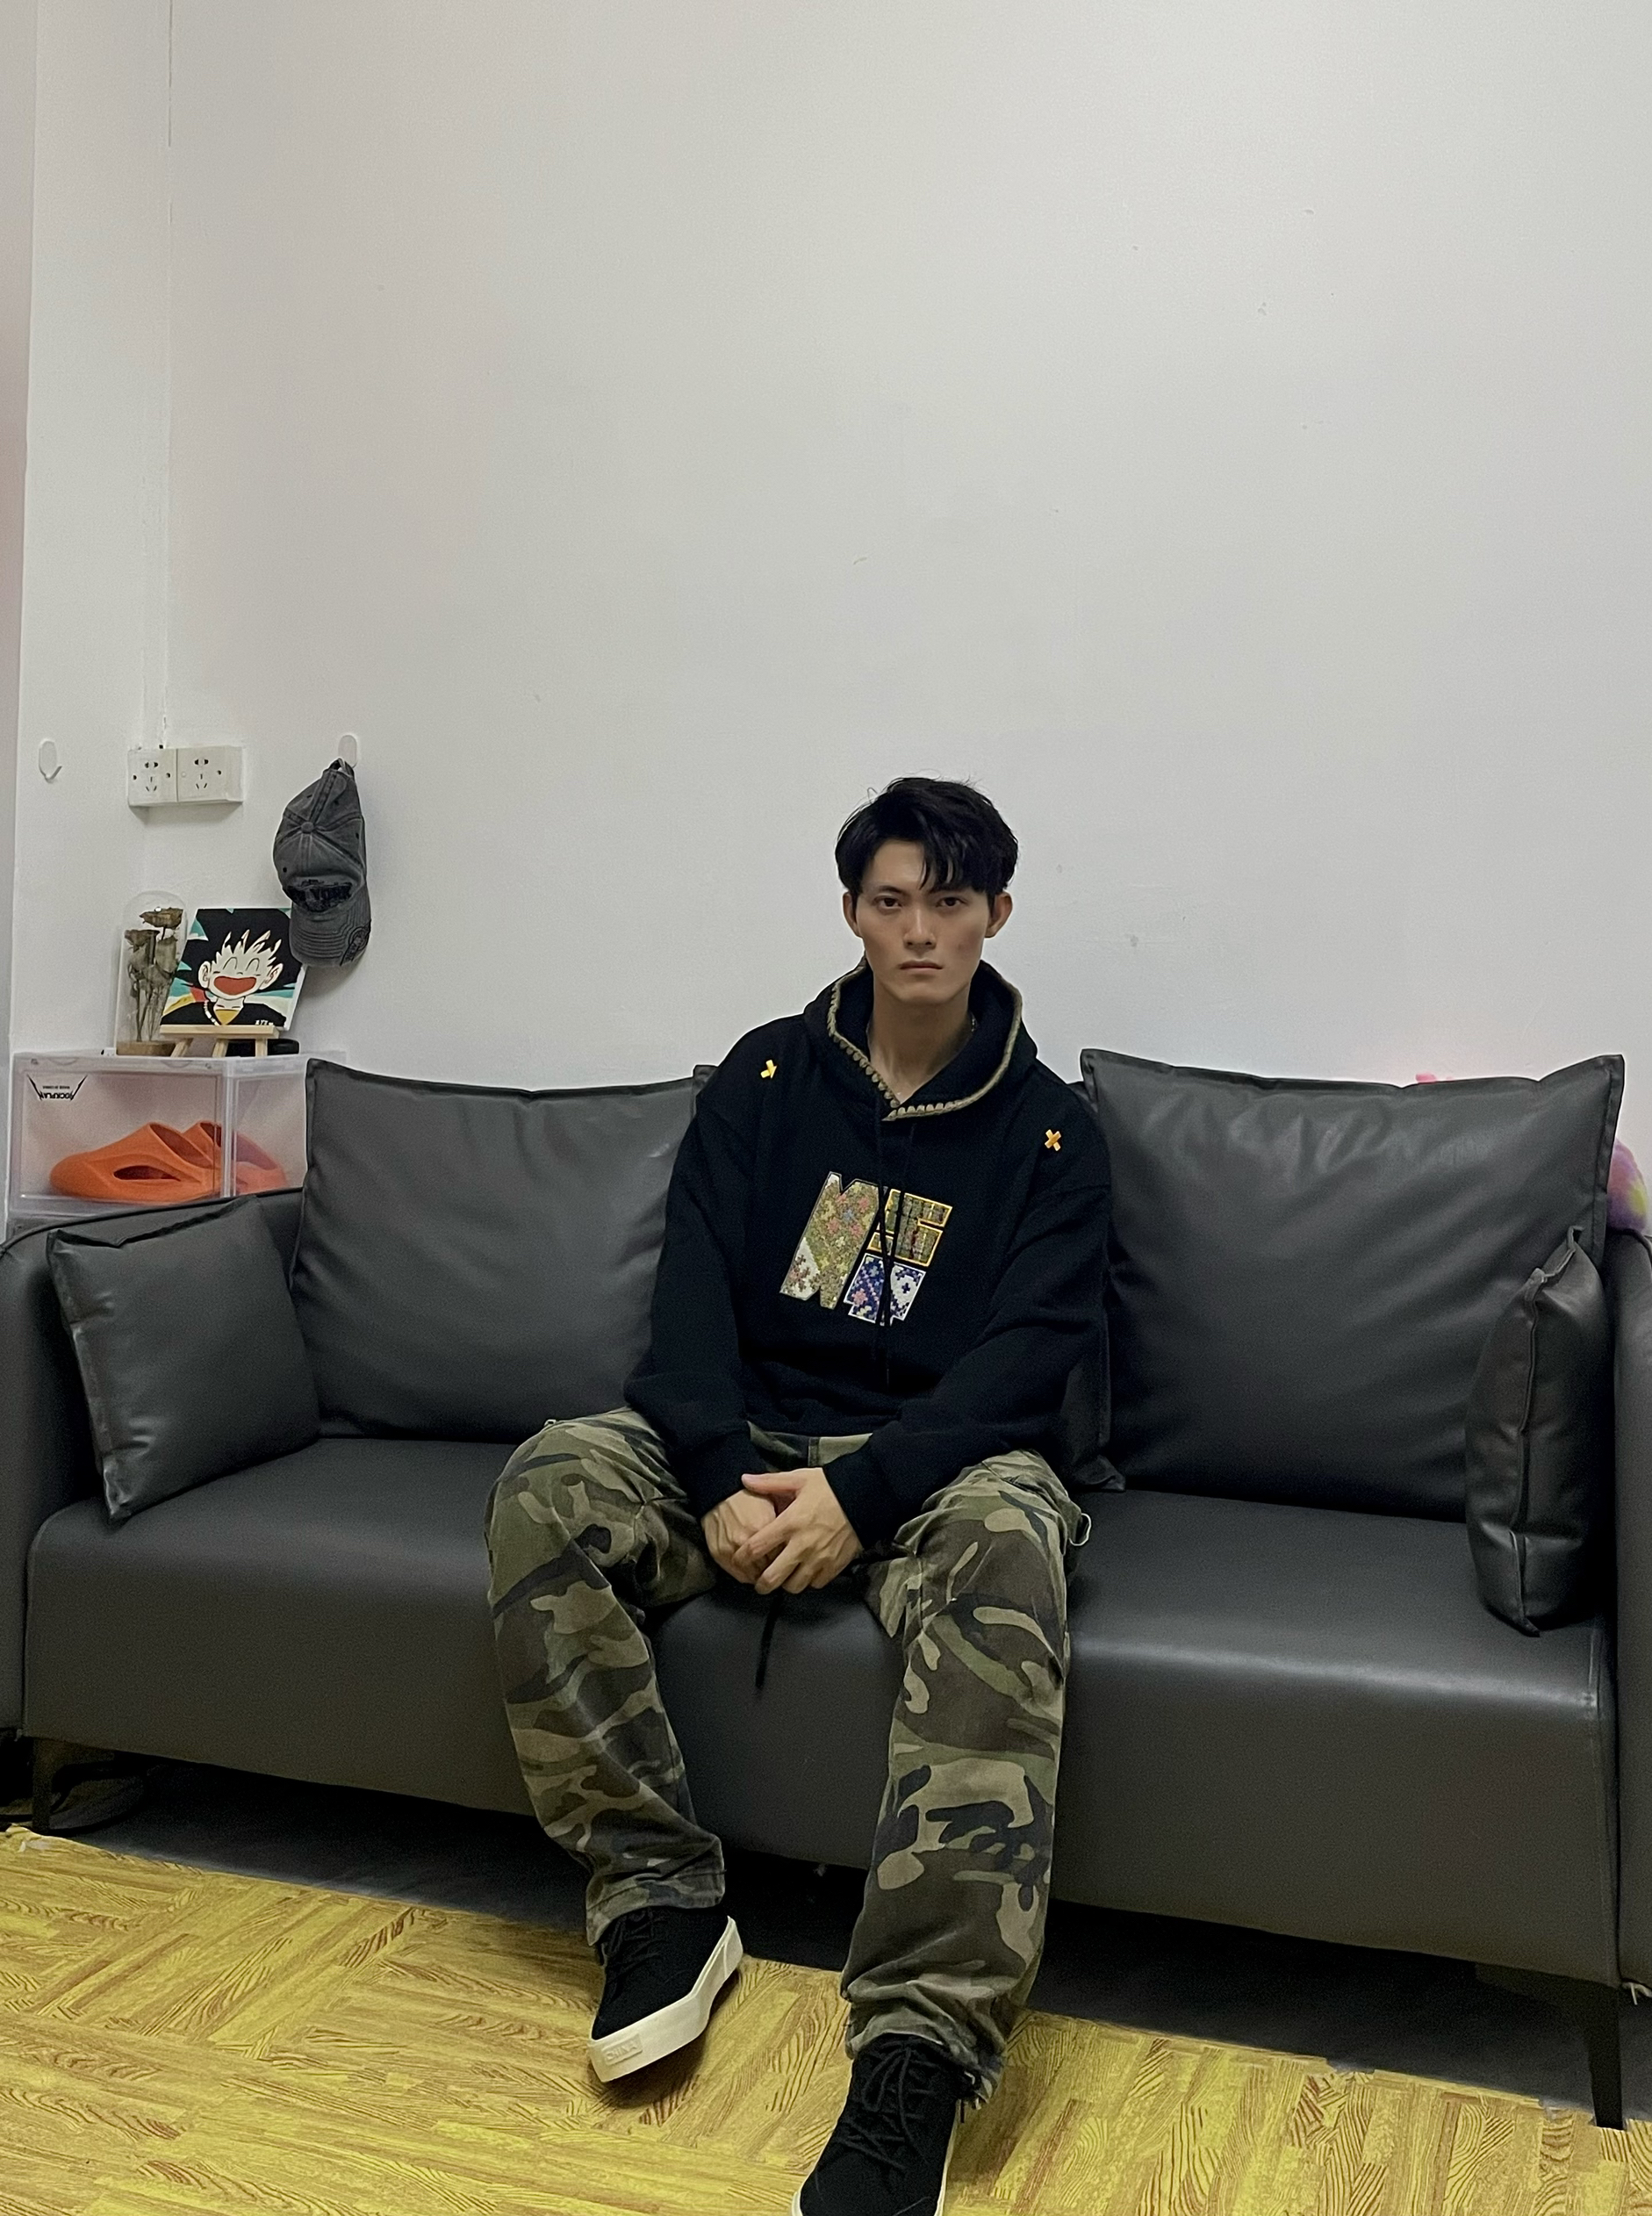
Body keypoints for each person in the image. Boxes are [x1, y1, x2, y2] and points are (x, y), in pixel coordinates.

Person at [485, 776, 1111, 2216]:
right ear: (852, 914)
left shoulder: (1052, 1134)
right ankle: (657, 1901)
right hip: (747, 1438)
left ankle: (919, 2049)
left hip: (936, 1464)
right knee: (549, 1483)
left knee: (1013, 1543)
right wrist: (715, 1471)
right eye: (891, 902)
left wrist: (863, 1497)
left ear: (996, 916)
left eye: (949, 903)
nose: (919, 932)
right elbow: (689, 1295)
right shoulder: (764, 1081)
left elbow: (1025, 1364)